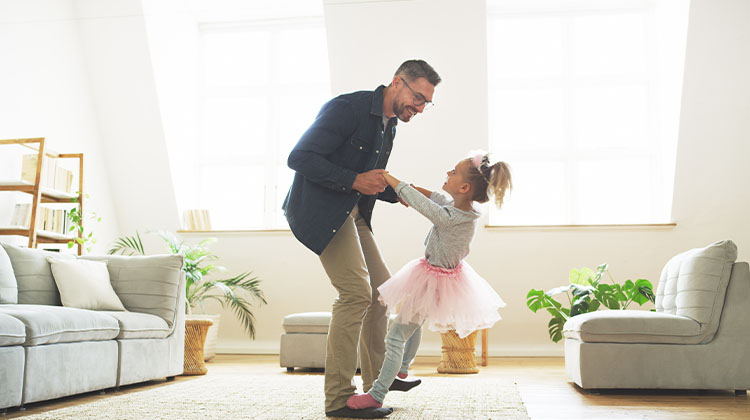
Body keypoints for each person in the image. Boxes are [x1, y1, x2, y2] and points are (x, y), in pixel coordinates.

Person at [282, 60, 441, 419]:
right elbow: (299, 157)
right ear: (396, 83)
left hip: (355, 214)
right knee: (355, 293)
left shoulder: (389, 127)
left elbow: (375, 180)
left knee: (383, 292)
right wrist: (353, 180)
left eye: (426, 102)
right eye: (417, 97)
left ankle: (376, 387)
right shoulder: (346, 109)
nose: (419, 107)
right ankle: (339, 400)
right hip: (321, 212)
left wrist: (411, 193)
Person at [345, 151, 512, 411]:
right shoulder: (463, 208)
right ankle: (401, 369)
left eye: (453, 172)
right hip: (435, 278)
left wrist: (390, 178)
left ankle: (377, 394)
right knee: (413, 321)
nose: (448, 173)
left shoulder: (452, 218)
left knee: (396, 336)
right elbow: (434, 197)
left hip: (434, 281)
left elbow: (426, 206)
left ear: (465, 187)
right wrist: (410, 189)